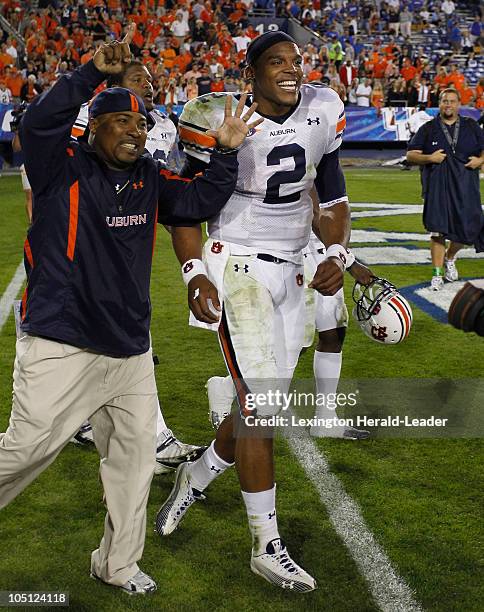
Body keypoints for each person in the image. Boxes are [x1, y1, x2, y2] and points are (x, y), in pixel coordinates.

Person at [0, 27, 260, 595]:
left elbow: (197, 201)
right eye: (123, 121)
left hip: (129, 348)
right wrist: (90, 73)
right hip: (61, 341)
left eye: (142, 124)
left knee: (134, 460)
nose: (136, 132)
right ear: (95, 127)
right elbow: (37, 123)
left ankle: (115, 563)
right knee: (25, 449)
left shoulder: (150, 177)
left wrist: (227, 151)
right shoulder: (58, 167)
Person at [156, 32, 357, 592]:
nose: (292, 70)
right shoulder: (212, 117)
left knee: (256, 407)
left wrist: (337, 251)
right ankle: (265, 544)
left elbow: (334, 195)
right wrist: (194, 272)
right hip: (237, 263)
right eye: (278, 62)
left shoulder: (323, 109)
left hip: (295, 263)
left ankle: (196, 475)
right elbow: (185, 206)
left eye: (297, 60)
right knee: (263, 409)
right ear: (252, 75)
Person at [70, 58, 197, 473]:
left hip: (133, 233)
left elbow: (178, 192)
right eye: (138, 77)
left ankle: (91, 419)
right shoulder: (90, 120)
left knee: (119, 336)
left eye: (150, 77)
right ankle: (151, 437)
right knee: (118, 336)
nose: (150, 82)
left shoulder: (162, 126)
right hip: (89, 236)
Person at [407, 88, 484, 290]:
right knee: (438, 230)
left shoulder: (471, 126)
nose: (447, 104)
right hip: (437, 188)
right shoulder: (428, 128)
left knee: (470, 230)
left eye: (451, 101)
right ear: (439, 104)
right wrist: (429, 158)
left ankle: (450, 257)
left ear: (459, 104)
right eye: (444, 101)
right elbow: (411, 155)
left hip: (466, 187)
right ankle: (437, 274)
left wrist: (481, 160)